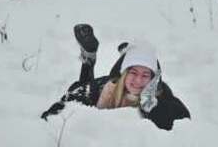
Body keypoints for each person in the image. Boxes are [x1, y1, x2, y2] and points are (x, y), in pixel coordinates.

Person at [41, 24, 190, 131]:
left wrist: (153, 106)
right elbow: (62, 109)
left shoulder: (162, 94)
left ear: (153, 79)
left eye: (145, 75)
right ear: (124, 73)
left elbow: (183, 120)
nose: (138, 81)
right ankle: (89, 59)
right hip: (104, 84)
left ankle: (128, 52)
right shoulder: (104, 87)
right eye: (133, 73)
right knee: (84, 91)